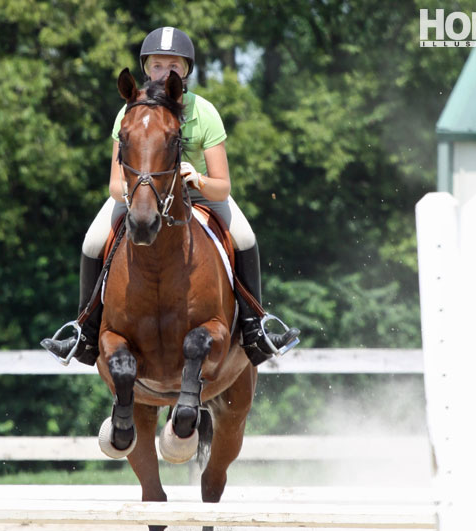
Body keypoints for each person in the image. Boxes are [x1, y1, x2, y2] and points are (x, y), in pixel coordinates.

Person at [41, 26, 298, 367]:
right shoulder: (128, 111)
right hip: (142, 198)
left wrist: (199, 179)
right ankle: (84, 332)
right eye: (158, 65)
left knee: (246, 237)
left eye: (173, 66)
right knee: (91, 241)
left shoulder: (203, 112)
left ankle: (256, 328)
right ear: (147, 69)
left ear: (185, 71)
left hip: (199, 196)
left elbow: (223, 186)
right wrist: (139, 192)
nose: (165, 73)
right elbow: (115, 186)